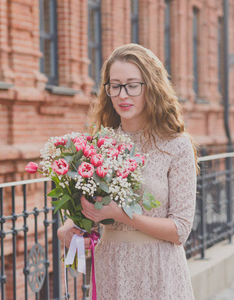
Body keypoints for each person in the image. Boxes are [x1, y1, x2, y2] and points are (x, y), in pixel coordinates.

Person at [57, 43, 198, 300]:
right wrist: (68, 229)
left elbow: (180, 230)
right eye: (115, 85)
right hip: (111, 269)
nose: (123, 95)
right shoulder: (100, 143)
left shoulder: (176, 145)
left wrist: (120, 214)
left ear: (151, 86)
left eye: (133, 85)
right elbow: (88, 207)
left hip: (159, 274)